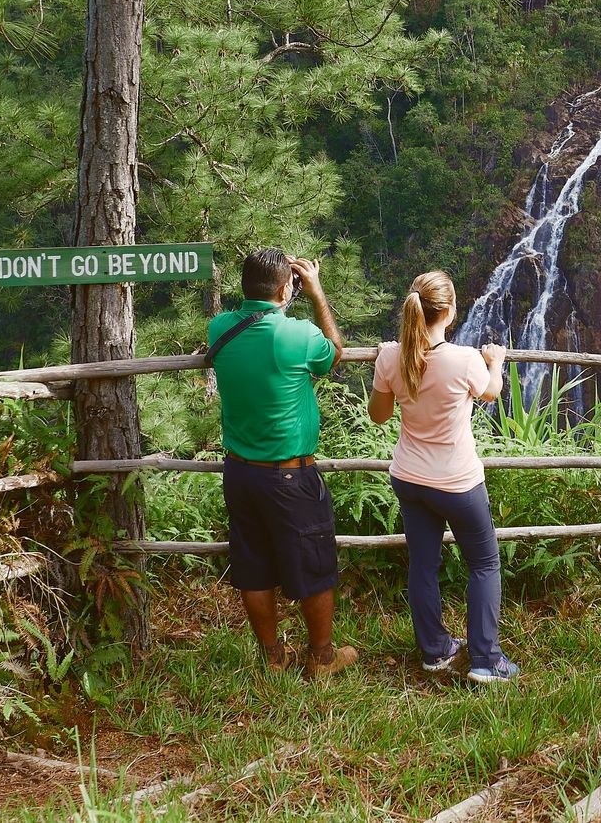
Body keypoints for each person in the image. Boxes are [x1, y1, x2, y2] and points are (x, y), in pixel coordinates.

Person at [208, 247, 356, 679]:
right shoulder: (296, 335)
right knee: (313, 564)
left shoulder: (220, 327)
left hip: (240, 473)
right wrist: (316, 292)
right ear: (285, 287)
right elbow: (335, 353)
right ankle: (322, 659)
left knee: (253, 568)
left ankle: (273, 659)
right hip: (289, 476)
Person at [367, 271, 519, 683]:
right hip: (458, 483)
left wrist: (386, 360)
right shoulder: (466, 358)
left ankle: (435, 652)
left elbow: (379, 416)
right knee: (484, 564)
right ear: (449, 312)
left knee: (423, 564)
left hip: (410, 479)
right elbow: (490, 392)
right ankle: (486, 661)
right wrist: (497, 361)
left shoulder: (390, 357)